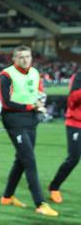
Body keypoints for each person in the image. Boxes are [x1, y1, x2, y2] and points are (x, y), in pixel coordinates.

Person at [0, 45, 58, 216]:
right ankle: (40, 203)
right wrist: (31, 106)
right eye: (21, 57)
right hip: (14, 120)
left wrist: (40, 104)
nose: (25, 60)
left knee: (21, 160)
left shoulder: (35, 73)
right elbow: (6, 102)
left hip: (31, 120)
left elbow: (39, 92)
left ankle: (7, 196)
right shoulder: (6, 75)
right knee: (29, 160)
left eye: (27, 56)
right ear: (14, 59)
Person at [48, 70, 81, 203]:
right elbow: (72, 101)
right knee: (73, 158)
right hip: (76, 123)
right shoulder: (78, 77)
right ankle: (54, 187)